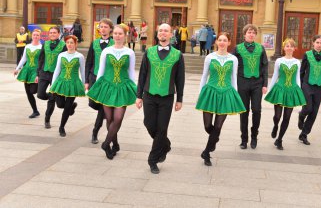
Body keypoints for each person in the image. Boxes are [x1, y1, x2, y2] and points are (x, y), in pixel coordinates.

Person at [136, 23, 185, 174]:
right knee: (149, 124)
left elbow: (180, 78)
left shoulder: (177, 54)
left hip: (167, 97)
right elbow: (142, 74)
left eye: (167, 31)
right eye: (161, 30)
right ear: (158, 34)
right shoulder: (149, 52)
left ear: (171, 34)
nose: (163, 33)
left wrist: (180, 99)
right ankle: (165, 144)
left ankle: (153, 160)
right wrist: (139, 96)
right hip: (149, 95)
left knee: (162, 128)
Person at [87, 24, 137, 159]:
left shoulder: (130, 52)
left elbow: (131, 71)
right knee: (109, 119)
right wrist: (97, 88)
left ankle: (106, 143)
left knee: (118, 118)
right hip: (107, 86)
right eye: (115, 33)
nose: (117, 36)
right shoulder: (106, 51)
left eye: (120, 34)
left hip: (123, 87)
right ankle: (114, 144)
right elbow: (101, 70)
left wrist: (135, 90)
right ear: (112, 34)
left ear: (125, 35)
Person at [196, 32, 245, 166]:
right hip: (210, 92)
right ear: (216, 42)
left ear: (229, 43)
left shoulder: (233, 59)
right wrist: (201, 93)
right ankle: (214, 139)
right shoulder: (209, 57)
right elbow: (204, 76)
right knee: (207, 126)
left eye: (225, 40)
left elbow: (234, 77)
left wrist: (235, 95)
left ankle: (206, 152)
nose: (222, 43)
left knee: (218, 126)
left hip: (226, 93)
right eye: (220, 40)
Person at [264, 38, 306, 150]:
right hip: (280, 89)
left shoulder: (297, 62)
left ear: (294, 48)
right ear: (284, 48)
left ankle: (279, 140)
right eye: (287, 46)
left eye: (291, 46)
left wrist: (299, 91)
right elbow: (275, 75)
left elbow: (298, 77)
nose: (289, 48)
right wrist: (270, 88)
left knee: (287, 117)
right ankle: (275, 125)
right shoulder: (279, 61)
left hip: (292, 90)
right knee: (277, 116)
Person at [232, 24, 268, 149]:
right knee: (244, 111)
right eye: (249, 32)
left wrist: (265, 84)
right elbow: (232, 66)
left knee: (257, 110)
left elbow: (264, 66)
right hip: (242, 82)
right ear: (244, 34)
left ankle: (254, 136)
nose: (251, 34)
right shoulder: (237, 48)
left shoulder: (261, 48)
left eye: (253, 32)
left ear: (255, 35)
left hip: (257, 83)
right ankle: (244, 139)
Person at [85, 18, 115, 144]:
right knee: (92, 103)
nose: (103, 29)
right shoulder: (94, 43)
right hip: (94, 76)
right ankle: (103, 113)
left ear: (110, 29)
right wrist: (86, 80)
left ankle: (95, 132)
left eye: (105, 27)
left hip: (107, 79)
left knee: (102, 106)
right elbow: (89, 62)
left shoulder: (114, 43)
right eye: (101, 26)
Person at [50, 35, 85, 137]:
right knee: (60, 104)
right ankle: (72, 107)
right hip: (61, 82)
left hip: (73, 83)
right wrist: (53, 83)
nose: (69, 45)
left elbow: (82, 71)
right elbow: (57, 69)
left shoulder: (80, 56)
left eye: (71, 43)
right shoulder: (61, 55)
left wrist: (83, 84)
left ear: (75, 44)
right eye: (68, 43)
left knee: (67, 107)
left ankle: (61, 127)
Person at [298, 35, 321, 145]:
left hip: (319, 87)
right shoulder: (307, 54)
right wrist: (300, 86)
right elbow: (301, 72)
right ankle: (301, 115)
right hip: (307, 85)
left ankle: (304, 134)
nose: (319, 45)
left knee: (314, 112)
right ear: (313, 43)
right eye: (317, 42)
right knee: (308, 108)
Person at [36, 26, 68, 129]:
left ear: (59, 34)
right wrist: (38, 73)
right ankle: (51, 97)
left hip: (56, 75)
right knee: (40, 94)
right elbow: (41, 58)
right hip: (44, 73)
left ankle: (47, 119)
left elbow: (65, 61)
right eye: (51, 33)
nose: (52, 34)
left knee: (52, 100)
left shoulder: (63, 45)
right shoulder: (45, 44)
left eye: (54, 33)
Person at [14, 29, 42, 118]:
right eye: (34, 35)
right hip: (27, 70)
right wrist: (17, 68)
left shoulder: (42, 47)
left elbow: (42, 61)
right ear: (32, 36)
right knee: (28, 92)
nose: (35, 36)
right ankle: (35, 110)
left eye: (37, 35)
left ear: (40, 36)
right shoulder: (28, 46)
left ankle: (44, 92)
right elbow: (24, 59)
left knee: (33, 90)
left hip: (36, 70)